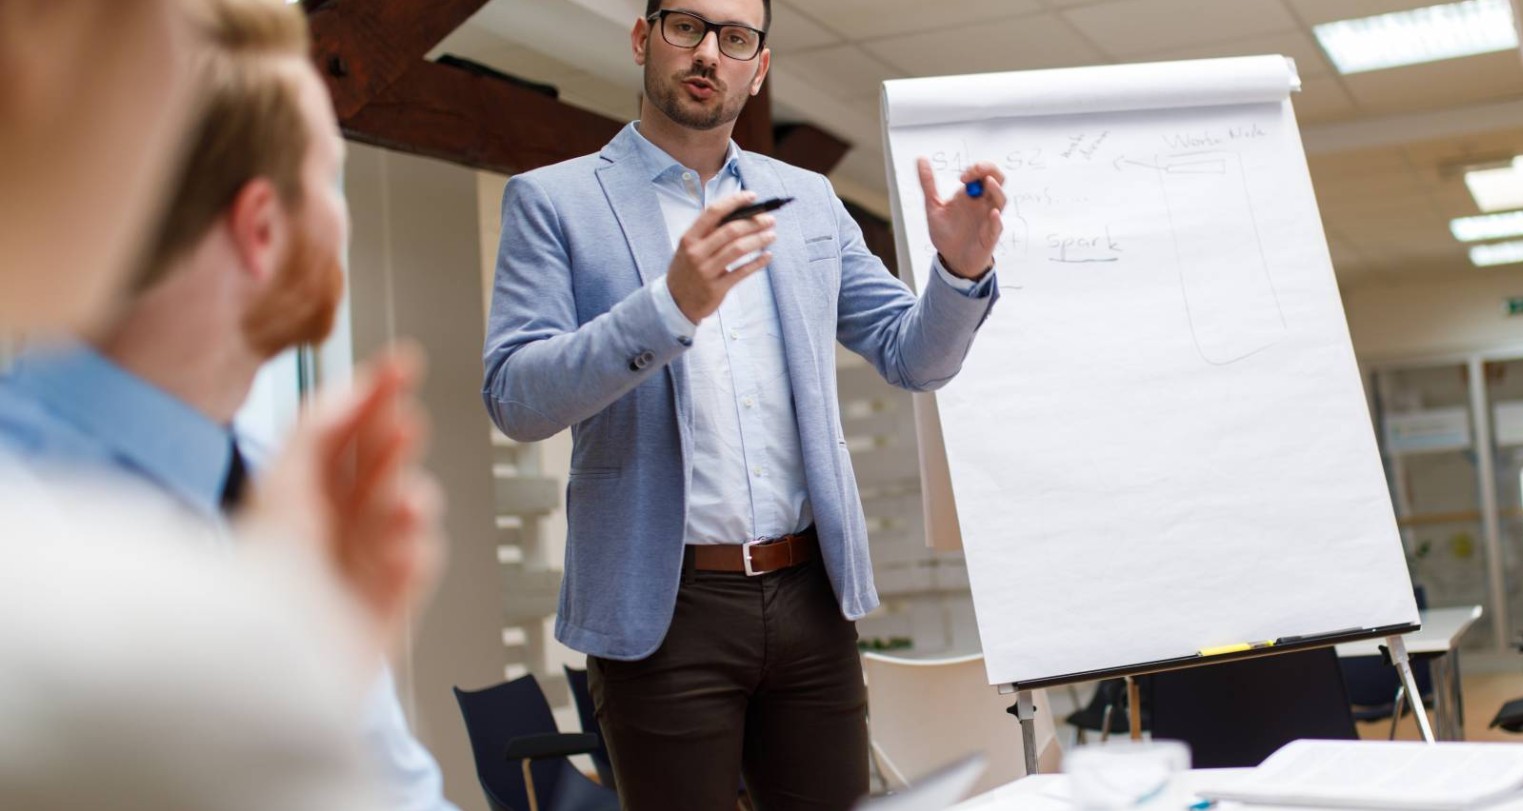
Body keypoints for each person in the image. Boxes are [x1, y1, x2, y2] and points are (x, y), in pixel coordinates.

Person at [481, 0, 1007, 807]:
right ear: (641, 38)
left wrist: (960, 272)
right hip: (663, 610)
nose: (708, 54)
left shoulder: (806, 201)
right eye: (685, 27)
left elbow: (913, 356)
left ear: (757, 67)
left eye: (735, 38)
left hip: (809, 599)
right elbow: (516, 396)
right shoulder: (553, 202)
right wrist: (669, 306)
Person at [0, 0, 456, 806]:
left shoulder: (294, 514)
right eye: (331, 178)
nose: (341, 219)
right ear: (263, 229)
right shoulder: (28, 528)